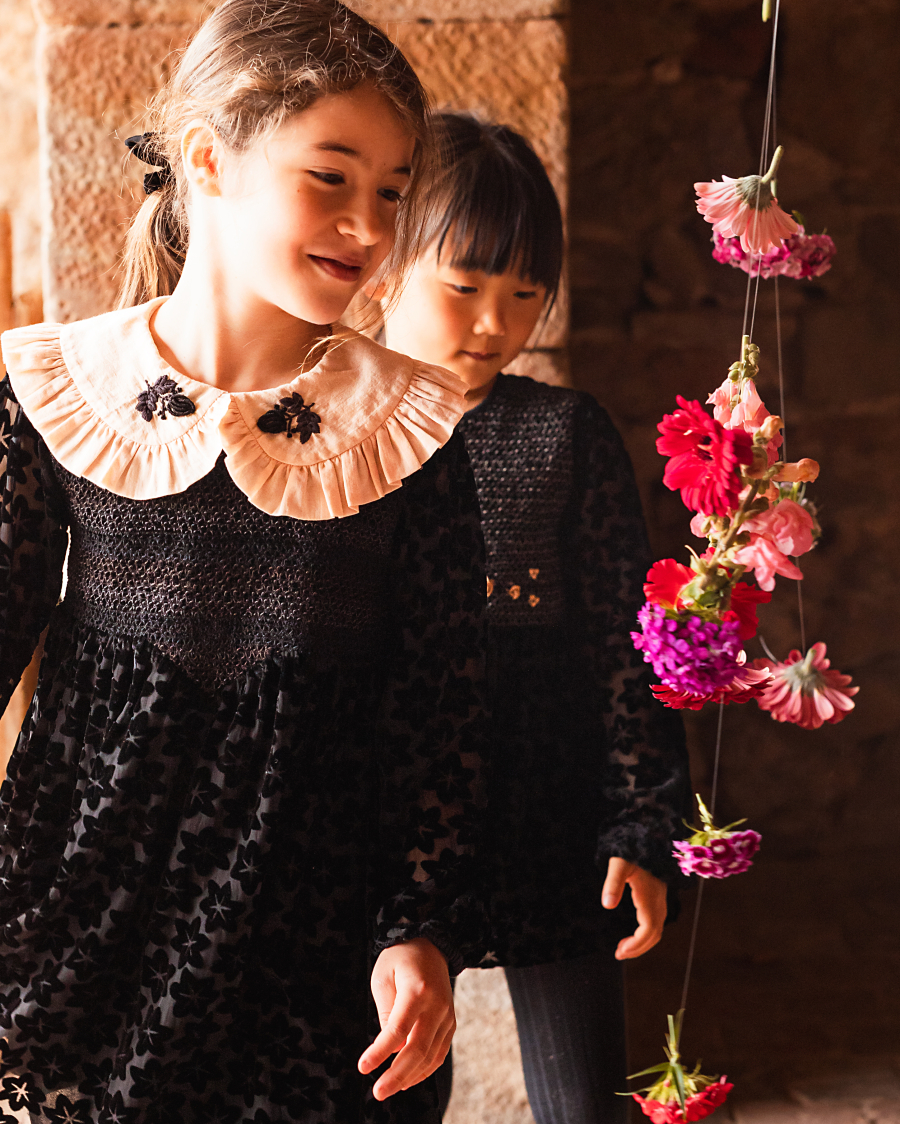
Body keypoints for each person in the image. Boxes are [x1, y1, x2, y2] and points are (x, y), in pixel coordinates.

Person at [0, 7, 492, 1122]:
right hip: (82, 947)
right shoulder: (62, 394)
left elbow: (444, 717)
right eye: (331, 177)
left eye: (393, 191)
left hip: (318, 974)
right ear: (209, 160)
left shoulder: (407, 431)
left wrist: (419, 929)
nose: (368, 225)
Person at [378, 111, 692, 1124]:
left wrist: (642, 821)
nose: (494, 323)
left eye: (525, 294)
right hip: (384, 833)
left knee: (583, 1103)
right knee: (388, 1094)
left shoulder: (566, 434)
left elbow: (626, 648)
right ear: (387, 263)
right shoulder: (331, 435)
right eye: (464, 286)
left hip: (550, 820)